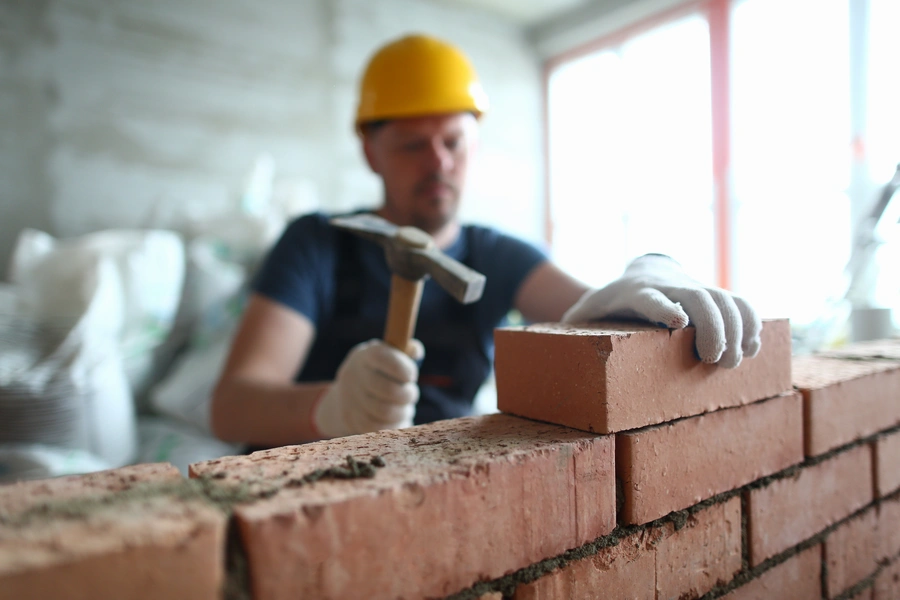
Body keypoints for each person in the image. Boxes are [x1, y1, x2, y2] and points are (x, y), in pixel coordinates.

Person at [210, 34, 761, 448]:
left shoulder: (499, 256)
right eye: (411, 146)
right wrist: (331, 410)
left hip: (437, 481)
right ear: (369, 151)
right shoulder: (316, 243)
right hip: (303, 481)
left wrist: (648, 272)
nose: (438, 163)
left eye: (453, 140)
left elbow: (593, 312)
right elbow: (232, 406)